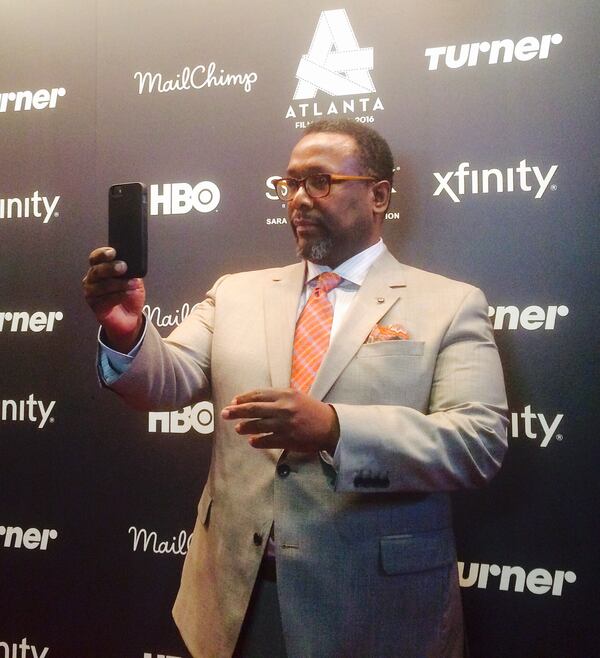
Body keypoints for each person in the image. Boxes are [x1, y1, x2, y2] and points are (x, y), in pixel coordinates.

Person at [83, 119, 508, 658]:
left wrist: (334, 428)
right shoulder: (235, 292)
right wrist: (126, 331)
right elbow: (166, 380)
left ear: (378, 195)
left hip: (374, 612)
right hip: (235, 605)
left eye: (319, 181)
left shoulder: (449, 304)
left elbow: (477, 442)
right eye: (290, 183)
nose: (299, 199)